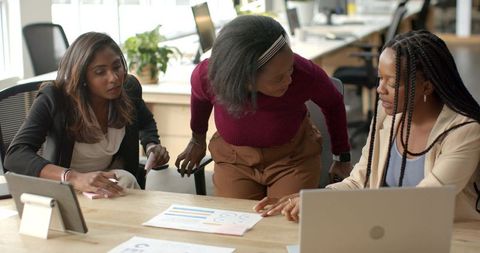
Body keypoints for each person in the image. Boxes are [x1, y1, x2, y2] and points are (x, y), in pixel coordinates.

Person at [254, 30, 480, 222]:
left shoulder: (465, 131)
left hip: (447, 235)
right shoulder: (387, 115)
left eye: (392, 82)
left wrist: (335, 207)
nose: (380, 90)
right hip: (389, 228)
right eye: (380, 79)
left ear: (427, 87)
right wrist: (312, 199)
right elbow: (358, 181)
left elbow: (425, 202)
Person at [175, 15, 351, 200]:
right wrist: (197, 139)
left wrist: (342, 157)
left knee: (283, 220)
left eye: (289, 69)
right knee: (235, 220)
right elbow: (199, 100)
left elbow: (333, 102)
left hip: (292, 159)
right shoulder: (208, 76)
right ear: (246, 79)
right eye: (278, 78)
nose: (289, 79)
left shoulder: (303, 73)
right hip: (234, 160)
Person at [4, 32, 169, 197]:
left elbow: (145, 121)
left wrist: (151, 145)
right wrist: (73, 177)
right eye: (100, 72)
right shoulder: (55, 97)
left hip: (110, 182)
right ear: (82, 76)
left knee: (129, 189)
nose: (114, 78)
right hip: (67, 187)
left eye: (117, 67)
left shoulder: (128, 89)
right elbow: (16, 154)